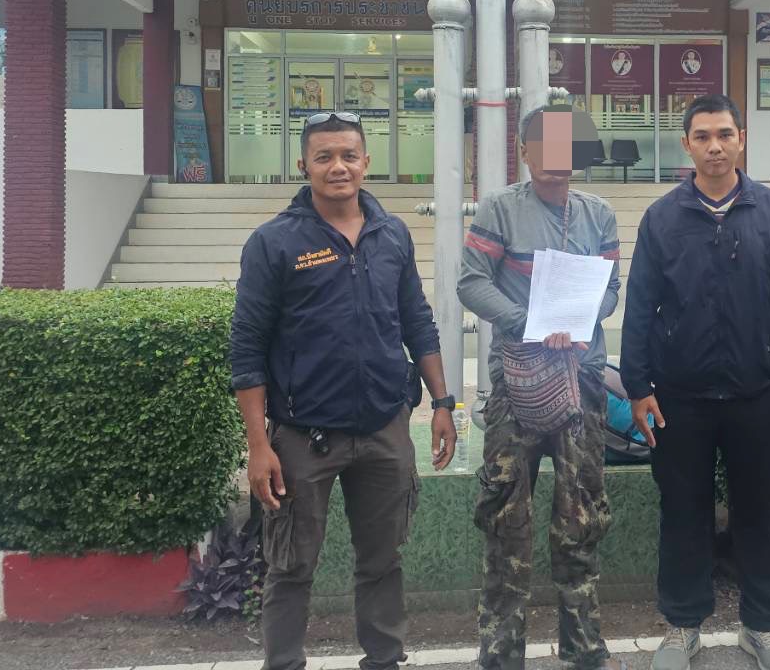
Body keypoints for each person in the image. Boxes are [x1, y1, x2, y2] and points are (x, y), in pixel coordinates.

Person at [229, 110, 458, 670]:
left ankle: (384, 659)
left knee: (382, 561)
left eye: (349, 155)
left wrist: (442, 403)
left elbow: (417, 321)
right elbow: (247, 348)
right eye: (325, 157)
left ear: (366, 162)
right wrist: (258, 446)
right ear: (303, 165)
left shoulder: (392, 233)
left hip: (383, 428)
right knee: (290, 565)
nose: (338, 167)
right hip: (303, 436)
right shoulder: (274, 242)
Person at [620, 93, 770, 670]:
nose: (715, 147)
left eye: (725, 134)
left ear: (741, 139)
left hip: (757, 394)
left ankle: (761, 627)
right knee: (684, 513)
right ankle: (683, 627)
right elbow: (640, 305)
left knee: (758, 513)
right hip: (680, 398)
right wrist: (637, 387)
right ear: (687, 144)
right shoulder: (662, 218)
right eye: (702, 136)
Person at [459, 106, 627, 670]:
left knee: (582, 517)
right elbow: (471, 282)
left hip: (582, 380)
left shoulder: (599, 214)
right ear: (524, 150)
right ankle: (501, 651)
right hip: (519, 385)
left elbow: (610, 289)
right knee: (506, 516)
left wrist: (581, 320)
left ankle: (584, 646)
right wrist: (527, 323)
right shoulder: (499, 209)